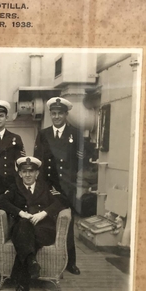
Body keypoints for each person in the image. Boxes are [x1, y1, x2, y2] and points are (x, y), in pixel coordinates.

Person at [0, 156, 66, 291]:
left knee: (25, 240)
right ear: (20, 174)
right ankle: (29, 269)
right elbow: (1, 201)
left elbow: (61, 201)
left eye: (31, 171)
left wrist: (43, 213)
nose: (28, 174)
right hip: (22, 228)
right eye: (24, 171)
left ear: (37, 173)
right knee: (23, 226)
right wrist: (20, 213)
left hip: (43, 229)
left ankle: (25, 278)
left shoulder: (45, 187)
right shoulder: (15, 187)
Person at [33, 97, 83, 275]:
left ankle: (70, 262)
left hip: (67, 186)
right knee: (49, 221)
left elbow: (79, 162)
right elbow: (37, 162)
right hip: (48, 185)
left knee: (67, 222)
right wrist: (43, 186)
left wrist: (70, 182)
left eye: (59, 113)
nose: (56, 117)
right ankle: (50, 260)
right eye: (53, 113)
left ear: (66, 114)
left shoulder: (75, 134)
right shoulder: (43, 134)